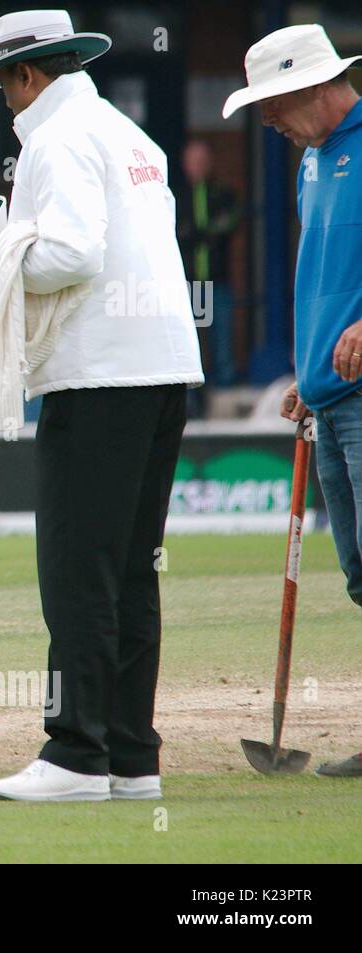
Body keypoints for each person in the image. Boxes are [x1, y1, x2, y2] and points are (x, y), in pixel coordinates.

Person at [0, 10, 203, 802]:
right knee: (132, 572)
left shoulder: (56, 137)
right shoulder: (132, 136)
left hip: (98, 375)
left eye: (5, 84)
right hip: (163, 368)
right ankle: (131, 757)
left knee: (78, 573)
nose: (6, 102)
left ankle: (74, 755)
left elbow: (72, 252)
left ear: (27, 74)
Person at [229, 25, 362, 778]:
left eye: (273, 105)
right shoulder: (313, 162)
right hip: (330, 396)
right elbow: (324, 279)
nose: (268, 122)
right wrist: (306, 374)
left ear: (312, 86)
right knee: (359, 570)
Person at [175, 139, 240, 388]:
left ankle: (224, 394)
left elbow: (225, 226)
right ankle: (192, 399)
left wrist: (197, 233)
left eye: (202, 160)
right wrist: (201, 234)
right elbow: (179, 233)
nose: (198, 166)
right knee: (189, 345)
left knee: (222, 342)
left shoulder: (223, 193)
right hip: (189, 284)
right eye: (193, 161)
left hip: (217, 281)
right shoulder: (177, 196)